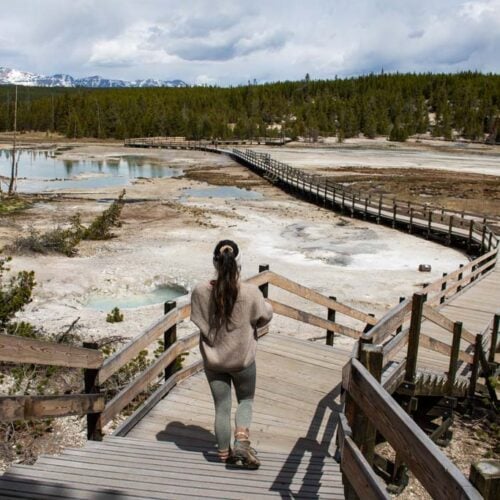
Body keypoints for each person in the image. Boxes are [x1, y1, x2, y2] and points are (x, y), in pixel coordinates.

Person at [190, 239, 273, 468]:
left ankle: (224, 455)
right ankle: (242, 442)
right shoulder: (250, 292)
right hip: (243, 360)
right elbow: (264, 316)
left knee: (221, 407)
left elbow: (200, 321)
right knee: (245, 400)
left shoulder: (199, 291)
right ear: (239, 265)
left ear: (215, 263)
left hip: (214, 361)